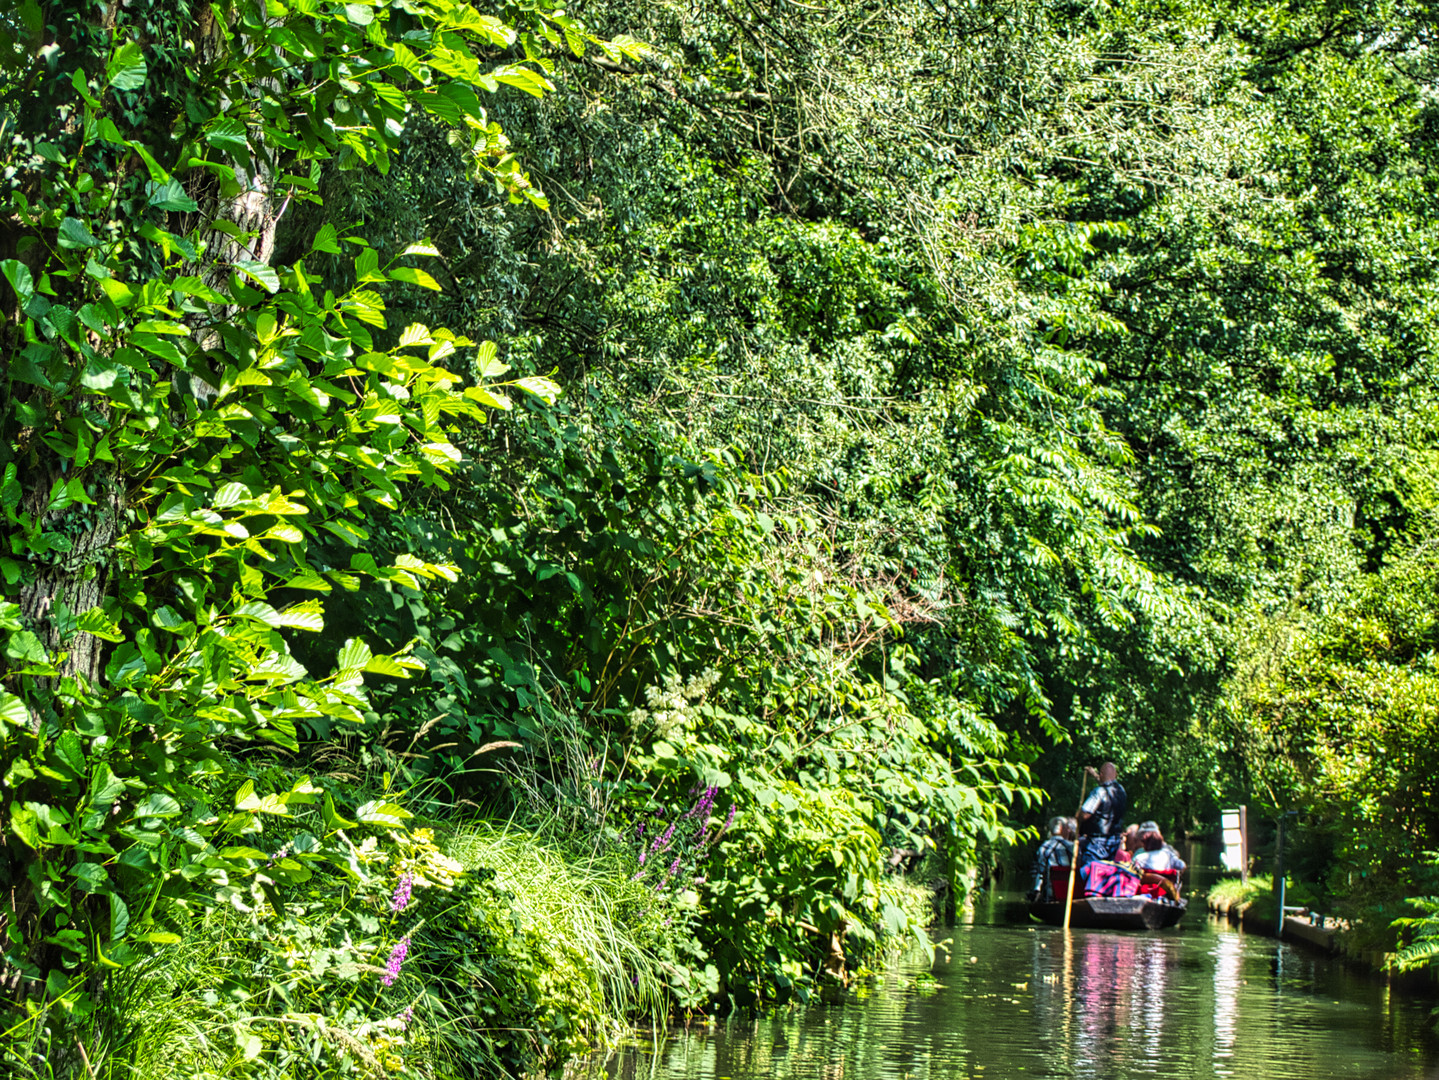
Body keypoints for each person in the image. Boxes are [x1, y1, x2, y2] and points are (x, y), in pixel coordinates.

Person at [1076, 762, 1127, 865]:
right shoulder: (1121, 791)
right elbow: (1107, 784)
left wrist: (1077, 816)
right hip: (1114, 841)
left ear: (1101, 775)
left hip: (1097, 841)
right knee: (1105, 872)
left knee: (1092, 871)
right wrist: (1095, 775)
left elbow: (1085, 814)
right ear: (1116, 775)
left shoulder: (1098, 791)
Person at [1028, 816, 1075, 902]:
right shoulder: (1073, 847)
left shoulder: (1044, 847)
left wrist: (1036, 890)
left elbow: (1040, 872)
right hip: (1072, 894)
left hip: (1051, 895)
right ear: (1064, 829)